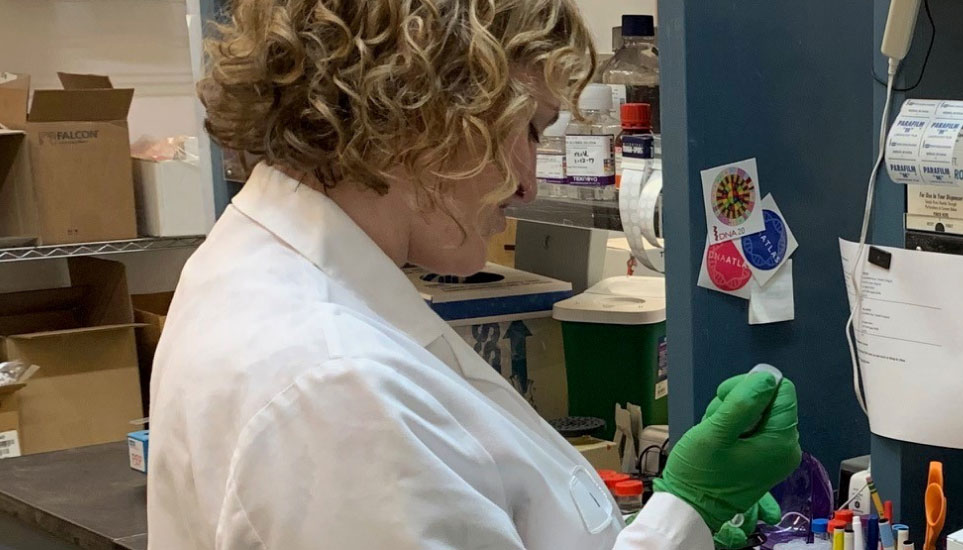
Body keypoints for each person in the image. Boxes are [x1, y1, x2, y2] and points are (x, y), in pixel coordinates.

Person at [145, 0, 802, 548]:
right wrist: (688, 504)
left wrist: (685, 514)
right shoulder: (334, 386)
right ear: (422, 101)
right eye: (532, 130)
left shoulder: (268, 272)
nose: (526, 184)